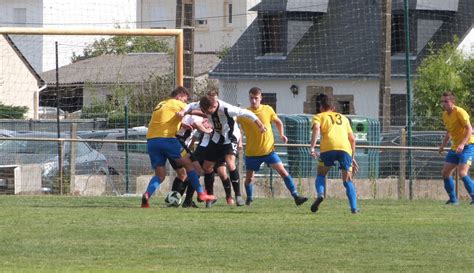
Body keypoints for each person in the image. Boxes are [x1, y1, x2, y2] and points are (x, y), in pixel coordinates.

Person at [182, 90, 266, 206]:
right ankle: (210, 197)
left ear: (214, 105)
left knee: (230, 163)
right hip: (217, 136)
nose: (207, 113)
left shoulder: (226, 109)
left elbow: (246, 113)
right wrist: (183, 111)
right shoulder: (204, 104)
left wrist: (260, 124)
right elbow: (191, 105)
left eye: (208, 111)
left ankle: (238, 195)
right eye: (204, 111)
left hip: (229, 136)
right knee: (207, 167)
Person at [141, 86, 216, 208]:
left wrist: (182, 124)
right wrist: (209, 114)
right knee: (190, 165)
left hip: (152, 141)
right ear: (179, 96)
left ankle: (147, 195)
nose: (185, 103)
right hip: (168, 140)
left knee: (160, 175)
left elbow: (162, 122)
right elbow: (192, 110)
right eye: (185, 100)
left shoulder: (161, 104)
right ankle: (201, 194)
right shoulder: (177, 103)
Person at [237, 87, 308, 206]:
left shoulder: (267, 109)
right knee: (249, 179)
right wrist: (238, 139)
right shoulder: (245, 113)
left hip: (269, 151)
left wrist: (282, 134)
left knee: (283, 172)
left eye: (256, 98)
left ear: (260, 98)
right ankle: (249, 198)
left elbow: (278, 122)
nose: (253, 101)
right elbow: (235, 125)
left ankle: (296, 196)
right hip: (252, 153)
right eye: (251, 98)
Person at [309, 93, 359, 214]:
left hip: (328, 148)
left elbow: (316, 128)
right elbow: (352, 139)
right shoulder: (344, 118)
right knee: (347, 180)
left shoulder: (319, 116)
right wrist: (352, 158)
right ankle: (354, 208)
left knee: (321, 174)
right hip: (345, 149)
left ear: (321, 108)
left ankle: (320, 194)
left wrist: (312, 147)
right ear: (334, 109)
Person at [438, 91, 474, 205]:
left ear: (452, 102)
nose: (443, 104)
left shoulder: (460, 112)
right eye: (442, 101)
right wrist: (443, 146)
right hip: (455, 148)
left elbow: (469, 129)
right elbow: (449, 131)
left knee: (462, 173)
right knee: (445, 172)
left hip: (468, 146)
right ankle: (453, 200)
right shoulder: (445, 115)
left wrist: (463, 144)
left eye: (446, 101)